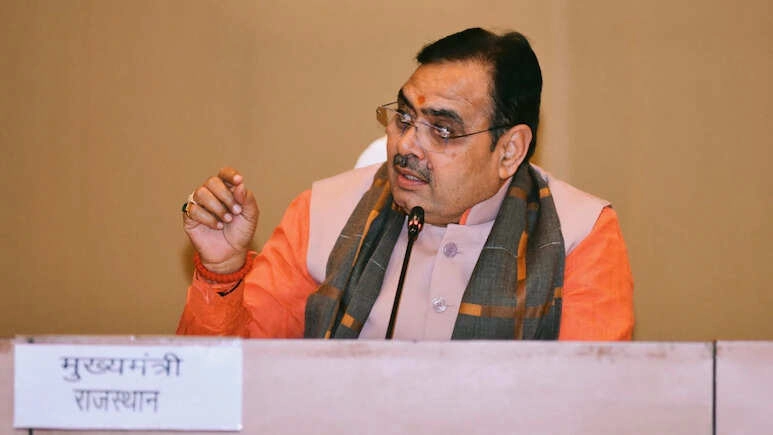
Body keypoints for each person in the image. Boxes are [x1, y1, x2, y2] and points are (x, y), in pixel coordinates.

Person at [177, 28, 634, 340]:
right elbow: (226, 387)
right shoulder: (322, 212)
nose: (406, 145)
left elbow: (593, 405)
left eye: (443, 130)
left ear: (510, 150)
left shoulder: (580, 233)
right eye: (404, 117)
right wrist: (222, 269)